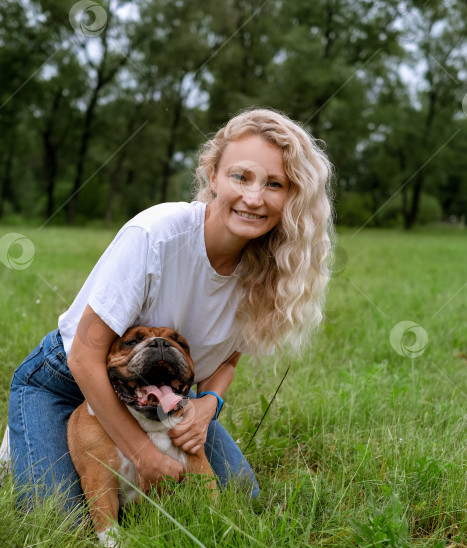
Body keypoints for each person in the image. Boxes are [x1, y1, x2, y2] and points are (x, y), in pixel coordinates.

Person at [6, 107, 334, 514]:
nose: (254, 197)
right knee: (58, 520)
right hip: (68, 383)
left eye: (275, 184)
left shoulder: (269, 271)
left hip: (164, 401)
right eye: (241, 176)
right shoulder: (156, 234)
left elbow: (228, 357)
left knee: (239, 501)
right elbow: (84, 356)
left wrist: (208, 402)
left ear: (292, 196)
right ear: (213, 175)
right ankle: (19, 445)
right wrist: (142, 453)